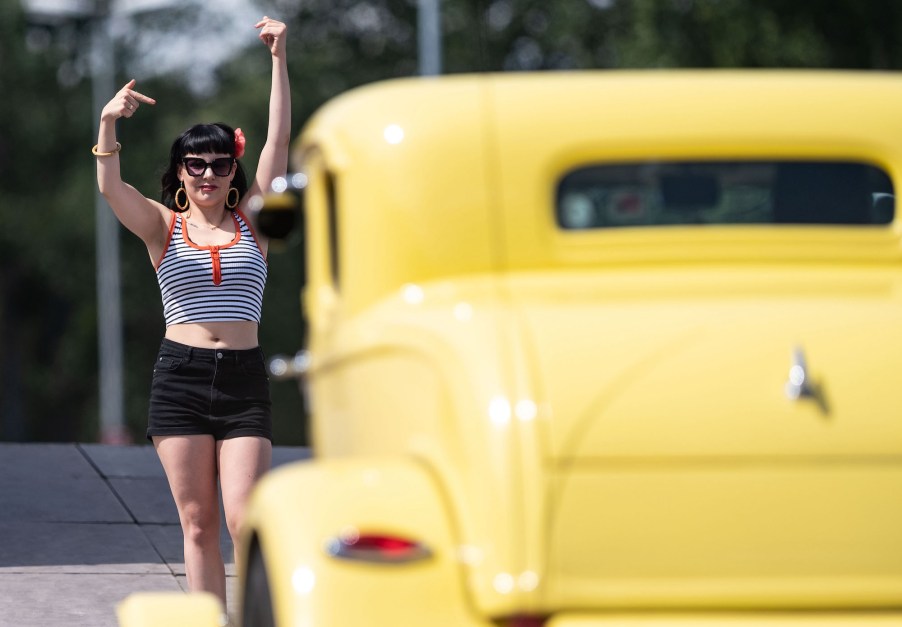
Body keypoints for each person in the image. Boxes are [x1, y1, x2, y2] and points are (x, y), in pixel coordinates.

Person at [93, 17, 290, 604]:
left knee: (243, 521)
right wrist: (107, 122)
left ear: (234, 174)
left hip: (244, 380)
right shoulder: (163, 225)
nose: (208, 174)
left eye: (220, 164)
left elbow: (278, 144)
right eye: (196, 165)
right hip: (180, 377)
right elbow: (110, 186)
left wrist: (279, 59)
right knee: (199, 524)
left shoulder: (252, 220)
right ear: (181, 172)